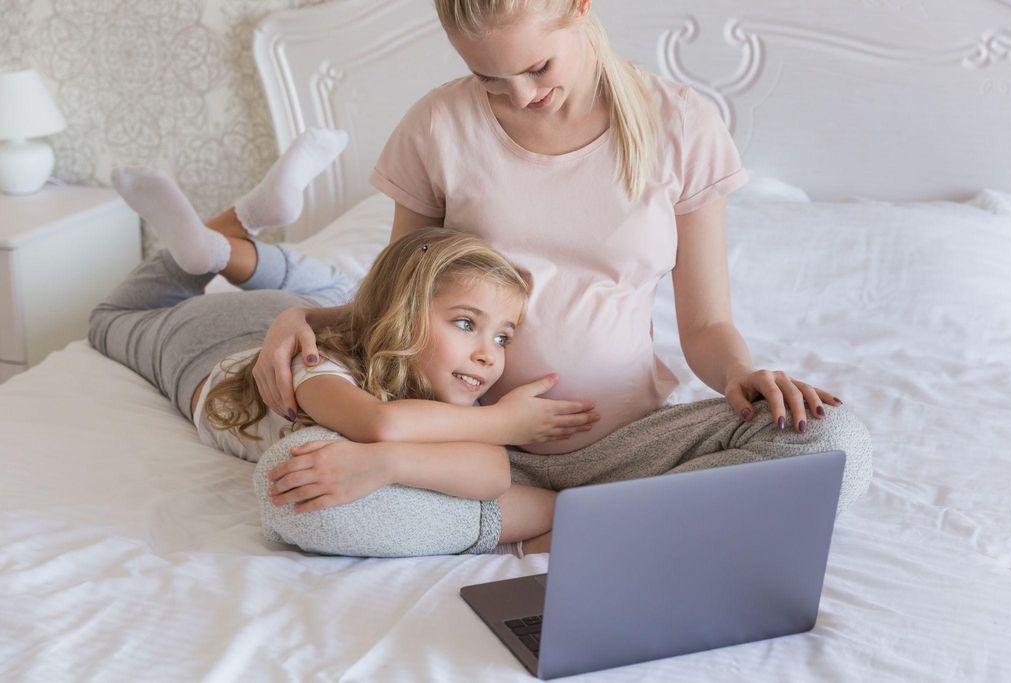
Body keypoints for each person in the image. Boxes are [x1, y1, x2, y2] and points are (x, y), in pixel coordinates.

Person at [251, 0, 873, 556]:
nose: (519, 94)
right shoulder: (437, 126)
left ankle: (545, 527)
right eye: (489, 79)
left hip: (633, 451)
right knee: (294, 487)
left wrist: (741, 375)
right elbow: (398, 301)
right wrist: (298, 317)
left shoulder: (680, 123)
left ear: (580, 7)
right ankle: (610, 527)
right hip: (470, 456)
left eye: (537, 68)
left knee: (834, 442)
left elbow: (707, 324)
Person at [89, 147, 599, 557]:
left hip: (310, 308)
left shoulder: (453, 378)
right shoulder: (319, 370)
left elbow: (492, 474)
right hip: (203, 349)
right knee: (111, 318)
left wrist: (397, 463)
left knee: (331, 284)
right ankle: (217, 241)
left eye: (503, 337)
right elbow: (379, 426)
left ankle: (229, 236)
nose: (489, 354)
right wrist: (505, 424)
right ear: (404, 313)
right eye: (467, 323)